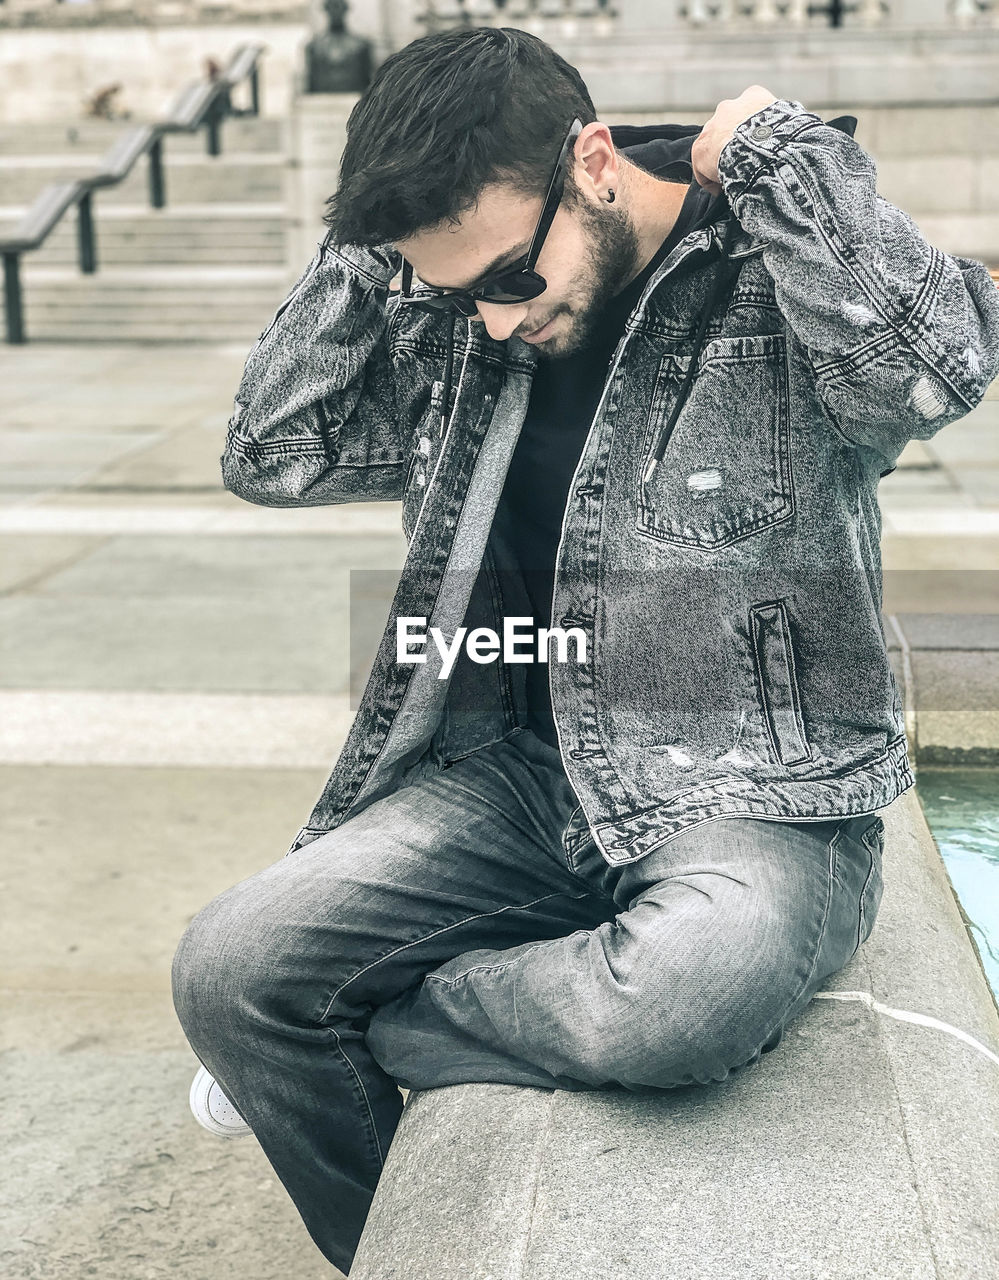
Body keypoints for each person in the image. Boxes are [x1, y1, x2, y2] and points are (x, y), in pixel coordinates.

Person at [171, 26, 999, 1275]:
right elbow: (272, 451)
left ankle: (383, 1020)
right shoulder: (461, 319)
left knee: (688, 989)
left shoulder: (769, 272)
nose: (496, 323)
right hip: (520, 773)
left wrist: (784, 157)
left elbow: (940, 372)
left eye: (509, 274)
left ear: (594, 160)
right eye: (458, 293)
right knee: (230, 970)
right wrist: (369, 248)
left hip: (752, 787)